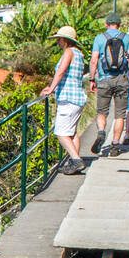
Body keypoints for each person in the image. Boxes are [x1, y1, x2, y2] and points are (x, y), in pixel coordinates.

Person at [88, 13, 129, 156]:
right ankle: (115, 146)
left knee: (102, 112)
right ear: (120, 25)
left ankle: (101, 132)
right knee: (120, 115)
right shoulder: (127, 38)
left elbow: (94, 60)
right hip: (122, 79)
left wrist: (92, 79)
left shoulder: (99, 38)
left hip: (104, 79)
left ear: (106, 24)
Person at [40, 25, 87, 174]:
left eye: (59, 39)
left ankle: (76, 160)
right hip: (78, 97)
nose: (58, 42)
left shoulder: (68, 52)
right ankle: (73, 163)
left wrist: (51, 88)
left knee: (61, 132)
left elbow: (61, 71)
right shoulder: (79, 53)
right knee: (71, 132)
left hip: (68, 97)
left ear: (65, 40)